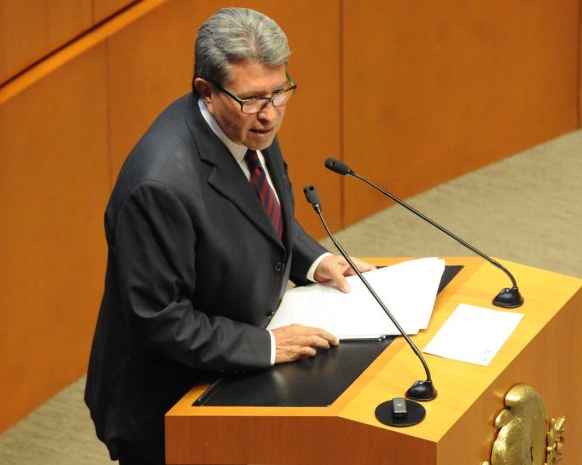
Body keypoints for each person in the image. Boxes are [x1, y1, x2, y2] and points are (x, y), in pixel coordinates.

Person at [84, 7, 374, 465]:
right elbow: (161, 318)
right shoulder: (159, 186)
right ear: (206, 90)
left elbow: (261, 210)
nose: (271, 114)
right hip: (170, 404)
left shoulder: (246, 118)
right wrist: (268, 346)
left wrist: (315, 261)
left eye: (281, 92)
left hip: (232, 364)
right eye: (255, 98)